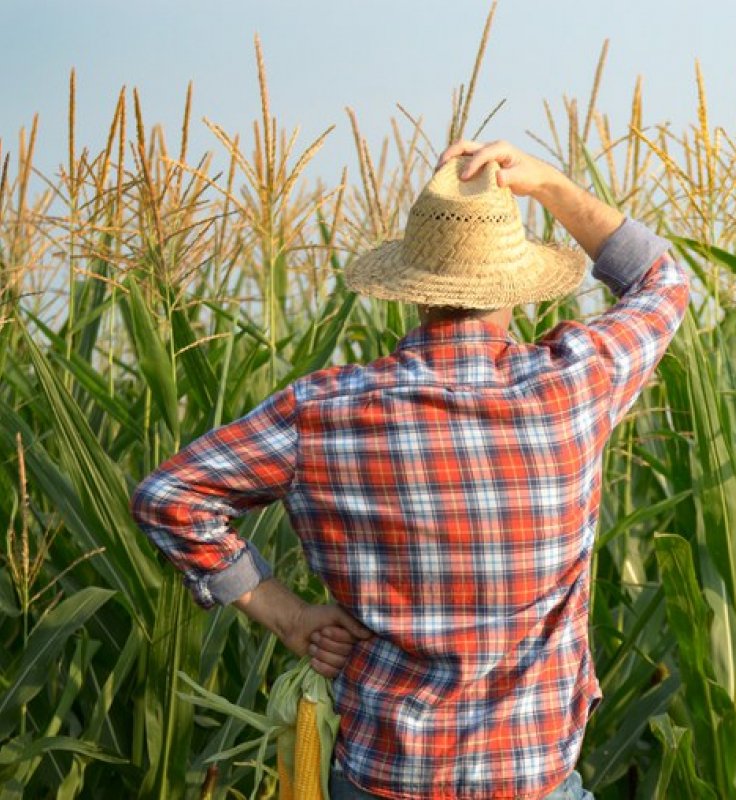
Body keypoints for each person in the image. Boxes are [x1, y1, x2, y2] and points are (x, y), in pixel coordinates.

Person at [130, 139, 690, 800]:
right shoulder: (573, 383)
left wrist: (287, 617)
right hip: (532, 781)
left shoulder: (322, 411)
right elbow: (662, 279)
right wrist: (550, 187)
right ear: (513, 286)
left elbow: (170, 496)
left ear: (414, 293)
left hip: (384, 778)